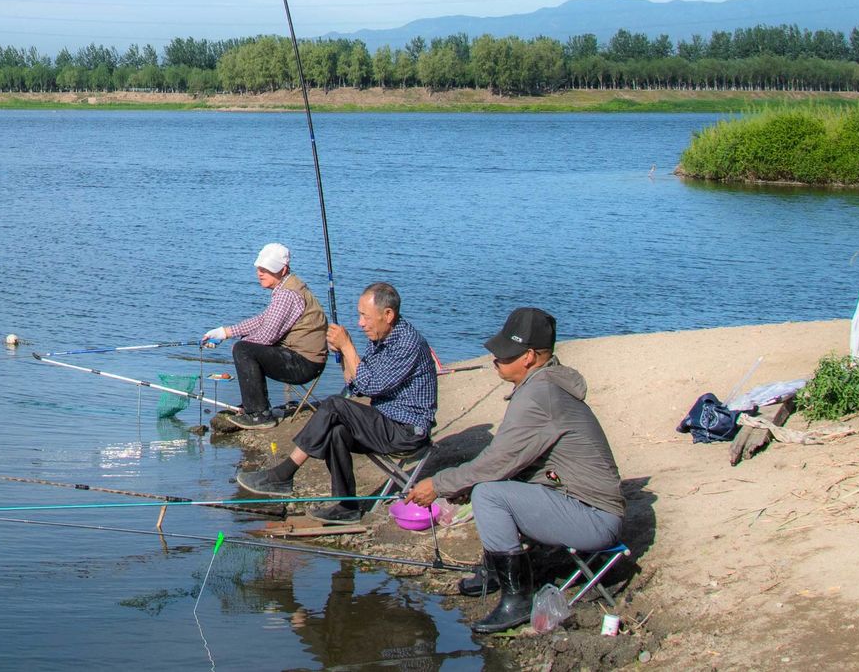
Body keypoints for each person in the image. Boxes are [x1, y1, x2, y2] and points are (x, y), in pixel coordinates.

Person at [404, 307, 624, 635]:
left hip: (595, 519)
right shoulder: (542, 384)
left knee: (490, 493)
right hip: (575, 502)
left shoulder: (540, 394)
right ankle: (494, 574)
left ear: (530, 357)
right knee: (489, 485)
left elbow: (495, 461)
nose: (496, 359)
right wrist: (461, 483)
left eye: (505, 354)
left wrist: (438, 484)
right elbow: (509, 461)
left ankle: (516, 599)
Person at [236, 281, 436, 523]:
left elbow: (372, 386)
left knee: (334, 405)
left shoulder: (407, 343)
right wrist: (342, 354)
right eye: (359, 315)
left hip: (407, 430)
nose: (360, 323)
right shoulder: (385, 338)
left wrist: (348, 346)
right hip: (386, 421)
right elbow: (357, 385)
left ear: (388, 315)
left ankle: (284, 474)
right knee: (337, 429)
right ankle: (346, 505)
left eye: (365, 316)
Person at [200, 242, 329, 431]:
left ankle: (259, 414)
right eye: (260, 268)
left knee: (244, 349)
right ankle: (254, 406)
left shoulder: (287, 294)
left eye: (267, 270)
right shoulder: (288, 287)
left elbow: (267, 336)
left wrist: (238, 346)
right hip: (305, 359)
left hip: (304, 364)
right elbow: (264, 320)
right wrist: (225, 332)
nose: (261, 273)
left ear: (283, 269)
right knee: (245, 348)